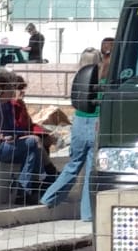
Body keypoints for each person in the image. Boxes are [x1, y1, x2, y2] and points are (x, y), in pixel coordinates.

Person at [41, 43, 106, 222]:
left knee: (73, 164)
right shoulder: (103, 81)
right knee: (91, 171)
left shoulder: (79, 79)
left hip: (79, 122)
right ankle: (87, 213)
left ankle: (49, 198)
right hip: (97, 124)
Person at [0, 74, 42, 202]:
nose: (13, 91)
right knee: (32, 143)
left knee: (30, 152)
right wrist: (28, 135)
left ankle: (27, 190)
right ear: (3, 91)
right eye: (10, 88)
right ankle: (27, 190)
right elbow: (9, 133)